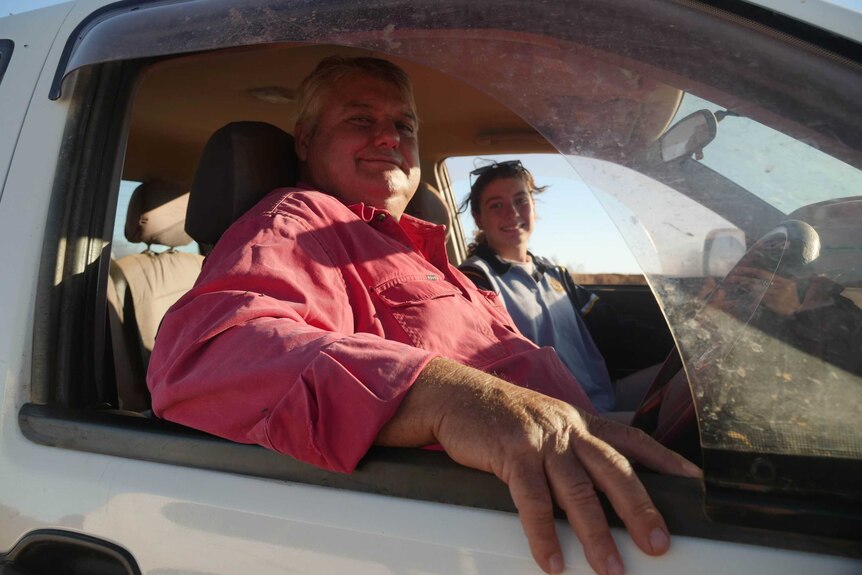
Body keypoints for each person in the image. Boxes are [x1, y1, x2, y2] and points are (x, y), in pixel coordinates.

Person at [148, 56, 701, 575]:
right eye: (361, 120)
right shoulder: (297, 220)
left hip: (564, 476)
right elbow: (204, 356)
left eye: (405, 127)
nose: (389, 137)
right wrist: (449, 397)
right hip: (468, 526)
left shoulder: (419, 253)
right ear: (306, 139)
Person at [458, 161, 661, 413]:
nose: (512, 213)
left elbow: (612, 327)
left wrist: (680, 342)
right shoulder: (475, 279)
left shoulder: (555, 273)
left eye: (520, 200)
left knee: (689, 376)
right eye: (496, 205)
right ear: (478, 218)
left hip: (604, 397)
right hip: (562, 418)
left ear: (534, 207)